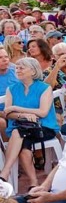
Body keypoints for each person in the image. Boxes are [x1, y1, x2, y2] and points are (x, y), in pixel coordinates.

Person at [0, 58, 59, 190]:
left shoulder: (45, 88)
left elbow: (43, 113)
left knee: (18, 132)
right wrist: (23, 115)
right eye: (17, 68)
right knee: (23, 147)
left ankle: (5, 171)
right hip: (22, 127)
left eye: (22, 68)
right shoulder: (12, 89)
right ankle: (34, 183)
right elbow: (7, 114)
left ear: (33, 71)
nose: (18, 70)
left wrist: (17, 108)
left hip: (43, 127)